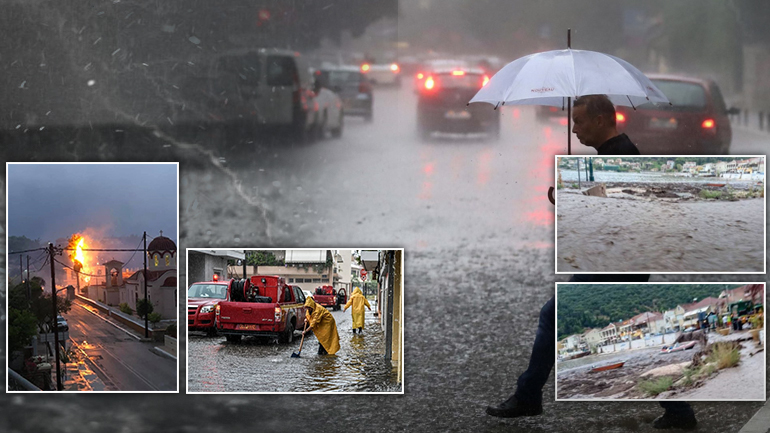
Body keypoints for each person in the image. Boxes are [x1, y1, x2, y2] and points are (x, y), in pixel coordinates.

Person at [485, 95, 697, 430]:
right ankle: (680, 412)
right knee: (625, 331)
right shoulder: (614, 153)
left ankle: (527, 396)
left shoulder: (621, 157)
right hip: (615, 263)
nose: (574, 129)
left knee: (555, 316)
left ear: (600, 120)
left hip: (617, 266)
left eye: (580, 121)